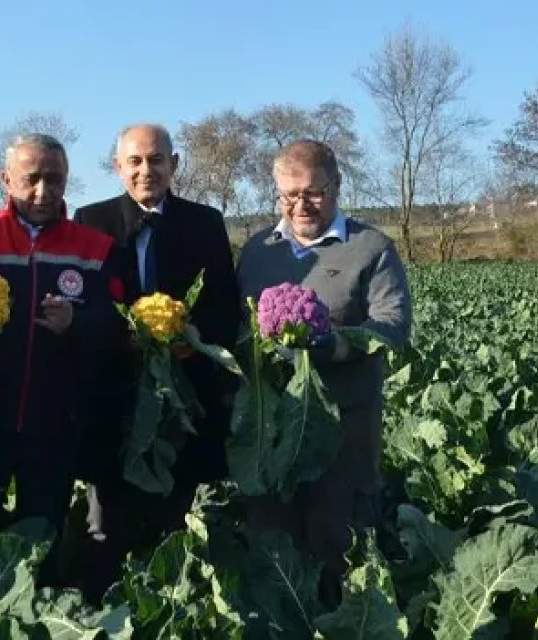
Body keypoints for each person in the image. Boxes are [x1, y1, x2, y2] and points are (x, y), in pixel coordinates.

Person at [71, 123, 242, 602]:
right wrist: (117, 336)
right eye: (135, 161)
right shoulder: (91, 220)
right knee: (106, 516)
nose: (147, 170)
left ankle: (174, 604)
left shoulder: (204, 222)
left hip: (185, 395)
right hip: (116, 394)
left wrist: (195, 338)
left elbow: (223, 300)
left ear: (174, 164)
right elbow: (84, 302)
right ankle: (101, 610)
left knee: (177, 510)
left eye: (157, 160)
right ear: (118, 167)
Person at [236, 138, 412, 596]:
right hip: (272, 427)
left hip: (344, 430)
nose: (300, 205)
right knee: (272, 546)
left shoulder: (371, 247)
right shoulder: (258, 251)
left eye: (313, 192)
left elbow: (392, 325)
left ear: (336, 186)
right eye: (289, 194)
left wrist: (333, 346)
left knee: (338, 542)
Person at [0, 133, 124, 566]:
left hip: (54, 420)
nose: (44, 191)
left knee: (41, 532)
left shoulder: (95, 247)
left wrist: (77, 323)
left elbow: (119, 321)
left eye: (55, 180)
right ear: (7, 178)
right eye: (32, 179)